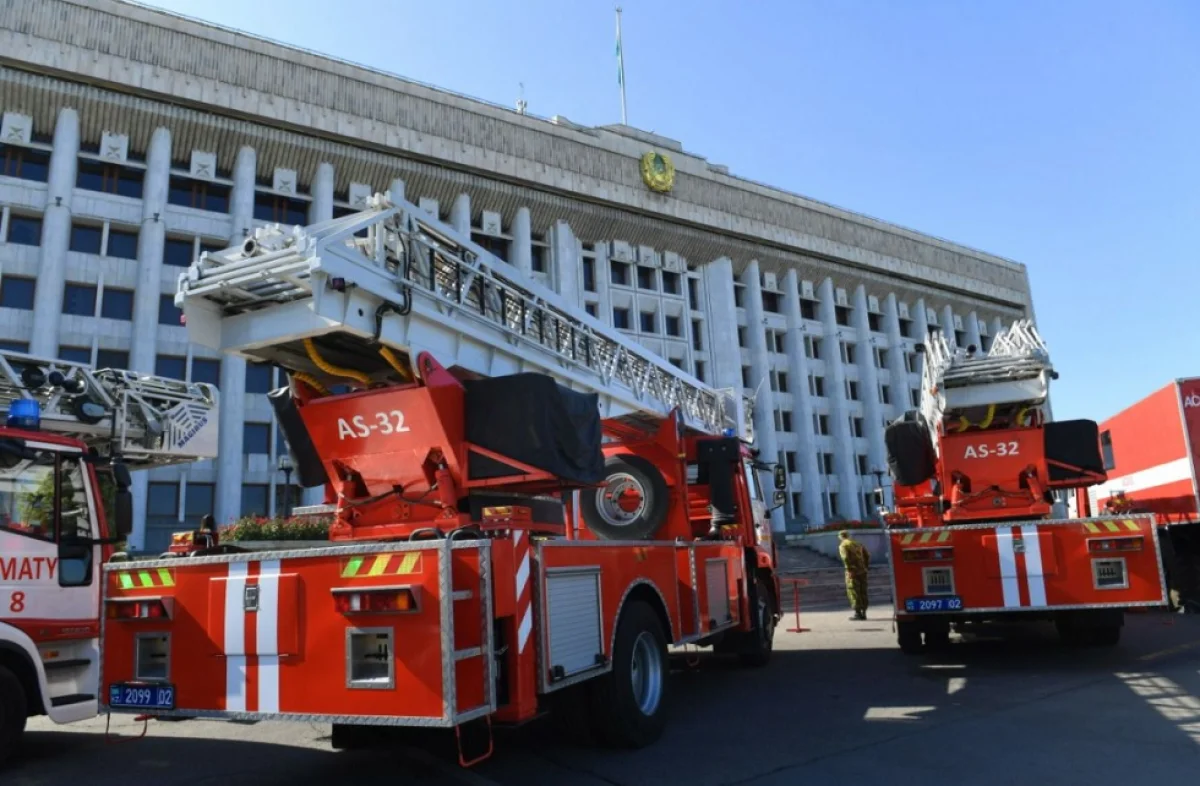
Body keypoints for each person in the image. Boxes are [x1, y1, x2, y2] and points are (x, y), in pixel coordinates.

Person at [838, 530, 871, 620]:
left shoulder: (843, 545)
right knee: (862, 590)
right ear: (848, 536)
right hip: (862, 571)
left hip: (853, 572)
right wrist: (865, 567)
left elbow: (845, 558)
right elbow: (867, 555)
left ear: (840, 537)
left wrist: (849, 570)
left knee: (853, 591)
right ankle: (864, 612)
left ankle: (858, 613)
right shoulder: (858, 544)